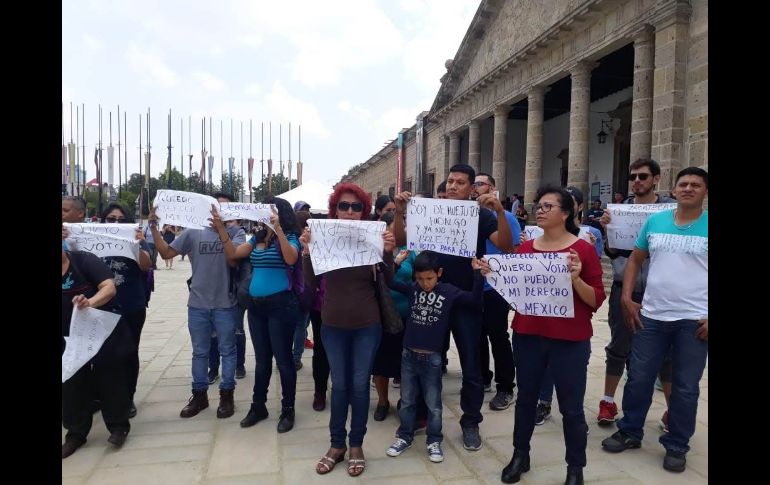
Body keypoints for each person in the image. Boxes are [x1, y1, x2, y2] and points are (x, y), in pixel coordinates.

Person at [393, 163, 515, 452]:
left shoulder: (482, 216)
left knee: (471, 364)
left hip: (464, 300)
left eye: (460, 182)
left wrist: (499, 211)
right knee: (422, 359)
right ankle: (419, 414)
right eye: (450, 181)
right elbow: (400, 240)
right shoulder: (428, 210)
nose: (452, 186)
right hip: (428, 297)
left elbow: (507, 246)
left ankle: (470, 421)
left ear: (472, 188)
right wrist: (400, 211)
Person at [601, 167, 708, 474]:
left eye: (695, 185)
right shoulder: (655, 221)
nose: (688, 189)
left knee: (686, 387)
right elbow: (635, 259)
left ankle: (677, 444)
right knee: (639, 378)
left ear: (705, 192)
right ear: (674, 190)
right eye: (683, 184)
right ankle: (631, 430)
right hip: (652, 316)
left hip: (693, 321)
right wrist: (626, 297)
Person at [501, 185, 605, 485]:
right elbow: (516, 294)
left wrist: (574, 279)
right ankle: (520, 454)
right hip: (528, 335)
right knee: (526, 400)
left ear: (566, 213)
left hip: (569, 340)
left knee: (571, 406)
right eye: (539, 206)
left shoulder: (582, 249)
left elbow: (596, 298)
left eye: (548, 206)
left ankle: (575, 467)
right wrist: (494, 274)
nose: (540, 211)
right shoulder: (525, 248)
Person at [302, 183, 396, 477]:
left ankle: (356, 444)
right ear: (335, 210)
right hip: (332, 324)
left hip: (367, 324)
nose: (350, 212)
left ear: (364, 210)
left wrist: (389, 252)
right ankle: (336, 445)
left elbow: (389, 280)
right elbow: (312, 283)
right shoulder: (324, 236)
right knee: (339, 385)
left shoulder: (373, 236)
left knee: (358, 385)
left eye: (356, 207)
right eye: (344, 206)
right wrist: (307, 252)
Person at [150, 192, 246, 420]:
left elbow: (233, 260)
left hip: (225, 303)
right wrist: (154, 228)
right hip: (198, 303)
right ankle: (199, 395)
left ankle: (226, 395)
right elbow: (166, 253)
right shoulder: (193, 232)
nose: (218, 212)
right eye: (215, 207)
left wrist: (221, 228)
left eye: (223, 209)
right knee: (199, 352)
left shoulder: (237, 233)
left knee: (228, 351)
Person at [596, 159, 676, 428]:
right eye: (633, 177)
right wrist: (608, 231)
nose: (637, 181)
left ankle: (672, 410)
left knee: (666, 355)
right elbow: (613, 253)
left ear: (656, 178)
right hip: (624, 288)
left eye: (643, 176)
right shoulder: (620, 211)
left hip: (660, 292)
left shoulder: (670, 213)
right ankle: (607, 401)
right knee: (619, 346)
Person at [386, 251, 487, 463]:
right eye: (421, 279)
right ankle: (406, 435)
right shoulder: (414, 289)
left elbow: (474, 300)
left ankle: (435, 439)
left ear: (439, 274)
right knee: (406, 400)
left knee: (434, 403)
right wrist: (394, 261)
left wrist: (478, 275)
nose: (425, 283)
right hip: (409, 355)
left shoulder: (448, 292)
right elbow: (390, 281)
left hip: (431, 358)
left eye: (429, 278)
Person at [216, 196, 302, 433]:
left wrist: (279, 230)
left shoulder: (291, 237)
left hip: (281, 307)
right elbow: (234, 254)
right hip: (256, 308)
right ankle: (258, 406)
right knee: (262, 360)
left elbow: (291, 258)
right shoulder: (257, 237)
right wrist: (222, 229)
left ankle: (288, 409)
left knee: (283, 361)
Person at [62, 233, 133, 458]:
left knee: (110, 377)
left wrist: (88, 303)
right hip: (68, 337)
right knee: (71, 383)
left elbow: (109, 288)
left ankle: (118, 426)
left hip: (100, 331)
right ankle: (75, 432)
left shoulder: (83, 261)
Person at [471, 172, 520, 411]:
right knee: (476, 336)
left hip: (496, 286)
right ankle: (482, 378)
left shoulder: (507, 217)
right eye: (474, 184)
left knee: (498, 337)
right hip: (474, 285)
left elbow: (513, 248)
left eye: (480, 184)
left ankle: (505, 386)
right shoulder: (469, 216)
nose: (475, 188)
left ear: (491, 187)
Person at [100, 203, 153, 419]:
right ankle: (102, 396)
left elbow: (145, 265)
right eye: (111, 219)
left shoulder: (135, 239)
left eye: (121, 220)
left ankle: (127, 396)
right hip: (100, 306)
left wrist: (138, 243)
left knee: (129, 352)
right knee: (102, 355)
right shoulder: (91, 238)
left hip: (130, 304)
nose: (115, 223)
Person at [371, 204, 409, 421]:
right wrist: (394, 261)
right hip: (382, 316)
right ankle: (383, 401)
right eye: (395, 228)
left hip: (407, 316)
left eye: (401, 227)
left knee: (406, 364)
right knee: (380, 363)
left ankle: (407, 400)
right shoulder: (373, 251)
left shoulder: (411, 251)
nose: (399, 231)